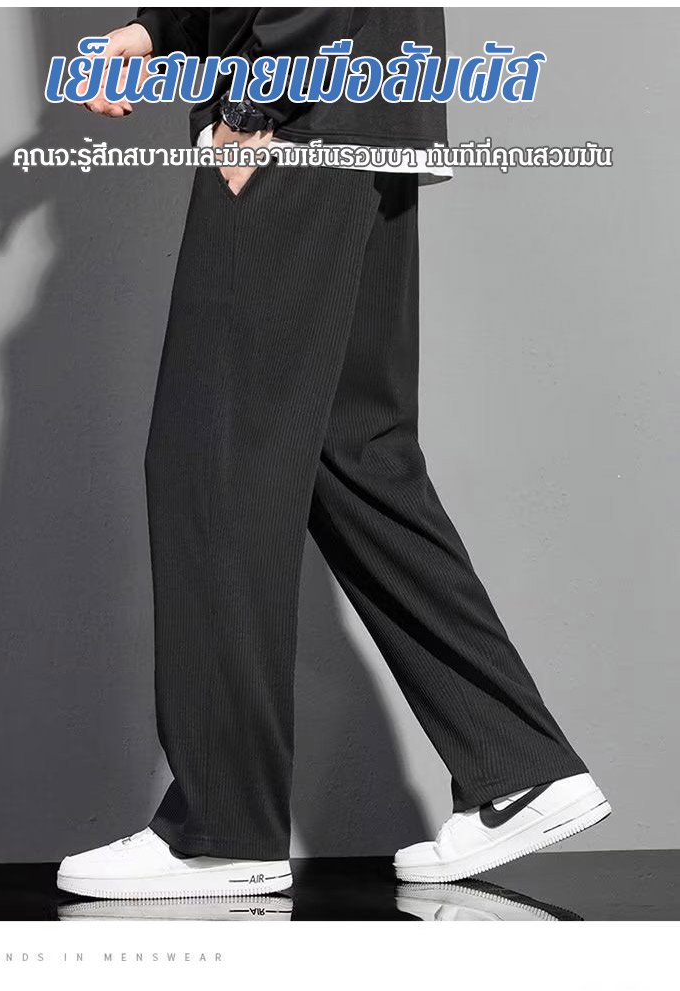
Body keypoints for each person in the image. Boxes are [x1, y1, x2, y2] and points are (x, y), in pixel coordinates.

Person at [57, 8, 610, 900]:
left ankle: (222, 827)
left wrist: (258, 103)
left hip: (305, 100)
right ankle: (519, 765)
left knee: (219, 456)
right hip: (365, 102)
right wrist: (161, 29)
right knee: (352, 453)